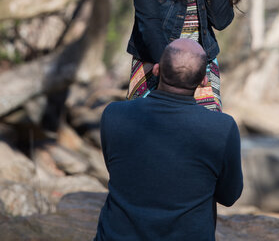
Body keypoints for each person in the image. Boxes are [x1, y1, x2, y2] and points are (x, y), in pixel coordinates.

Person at [94, 38, 243, 241]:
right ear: (204, 81)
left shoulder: (114, 114)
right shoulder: (222, 128)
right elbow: (229, 196)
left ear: (156, 70)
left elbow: (119, 170)